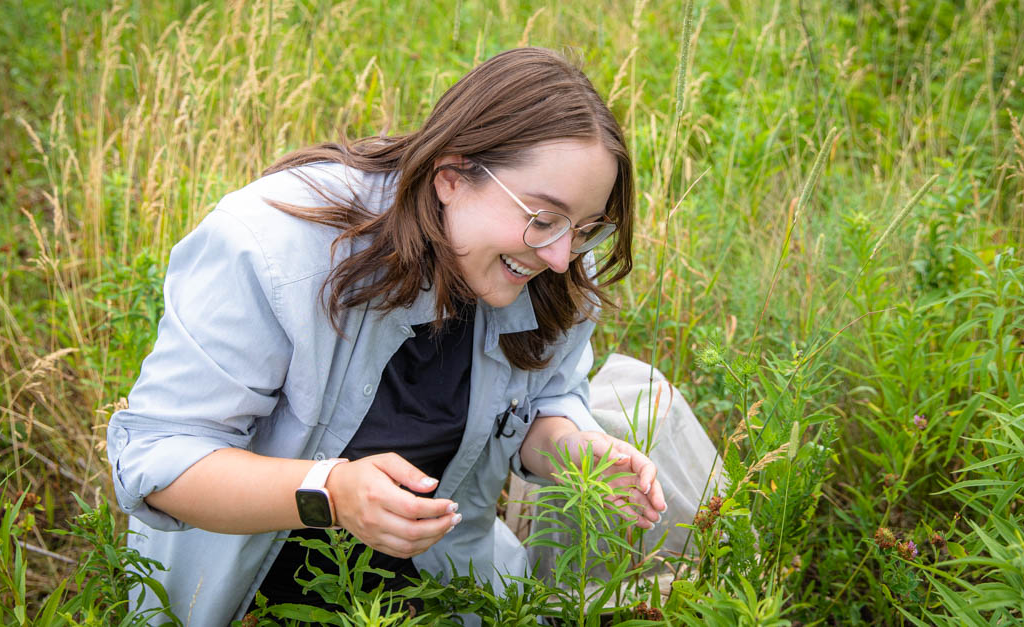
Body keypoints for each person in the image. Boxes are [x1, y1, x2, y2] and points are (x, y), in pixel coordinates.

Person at [105, 47, 667, 626]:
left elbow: (547, 397)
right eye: (543, 218)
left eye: (586, 227)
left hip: (443, 589)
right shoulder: (273, 248)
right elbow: (160, 460)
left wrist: (570, 448)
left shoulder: (558, 263)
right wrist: (332, 492)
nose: (558, 255)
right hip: (241, 599)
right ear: (451, 177)